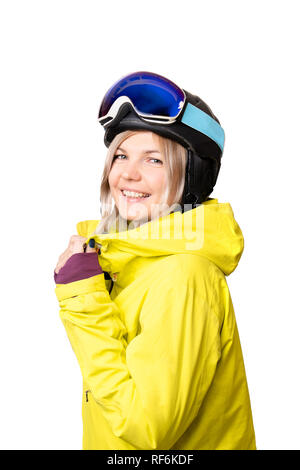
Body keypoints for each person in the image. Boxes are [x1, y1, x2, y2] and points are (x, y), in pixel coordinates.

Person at [54, 71, 256, 450]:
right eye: (120, 155)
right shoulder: (129, 261)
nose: (128, 174)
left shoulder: (184, 275)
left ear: (191, 176)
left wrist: (82, 298)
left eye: (154, 160)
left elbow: (145, 428)